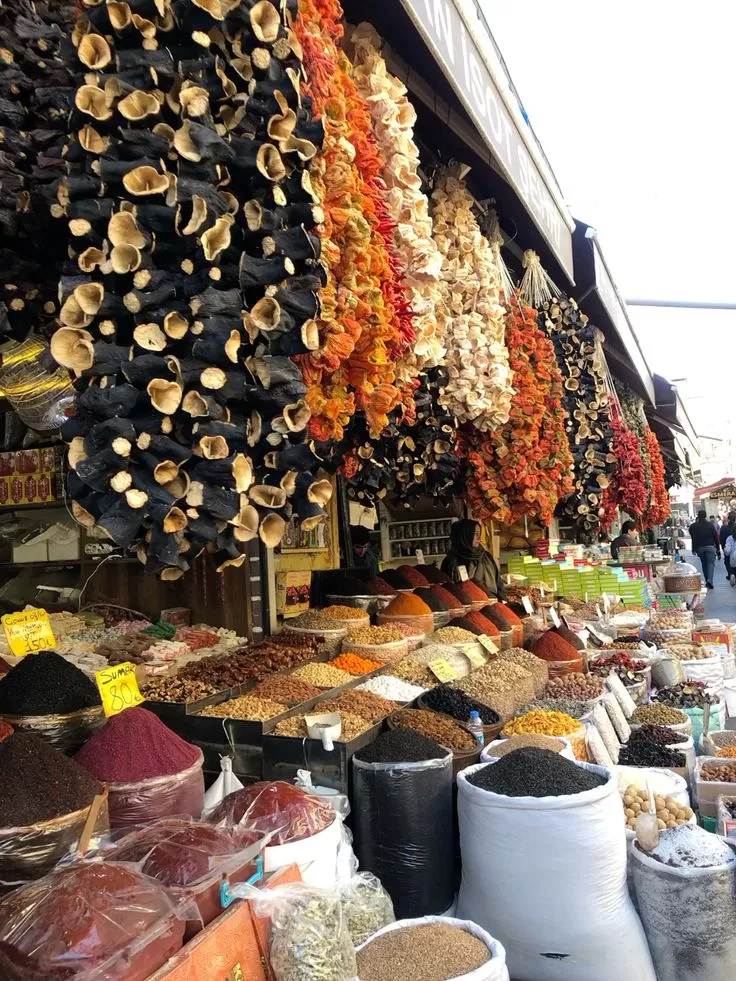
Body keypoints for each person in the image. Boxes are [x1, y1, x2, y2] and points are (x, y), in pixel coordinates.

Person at [441, 519, 506, 599]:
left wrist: (503, 601)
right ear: (464, 535)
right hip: (465, 608)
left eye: (479, 533)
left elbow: (498, 584)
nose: (479, 537)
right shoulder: (451, 561)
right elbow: (447, 591)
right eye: (475, 534)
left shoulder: (486, 557)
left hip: (491, 603)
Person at [689, 510, 721, 589]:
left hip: (699, 548)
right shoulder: (710, 525)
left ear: (698, 516)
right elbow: (715, 537)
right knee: (710, 564)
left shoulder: (693, 526)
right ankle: (709, 580)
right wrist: (718, 548)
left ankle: (707, 579)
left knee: (704, 563)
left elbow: (693, 537)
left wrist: (693, 549)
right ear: (705, 515)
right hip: (710, 546)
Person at [720, 511, 736, 583]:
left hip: (729, 551)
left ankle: (731, 574)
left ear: (728, 519)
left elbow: (721, 538)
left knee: (728, 562)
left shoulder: (724, 527)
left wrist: (723, 548)